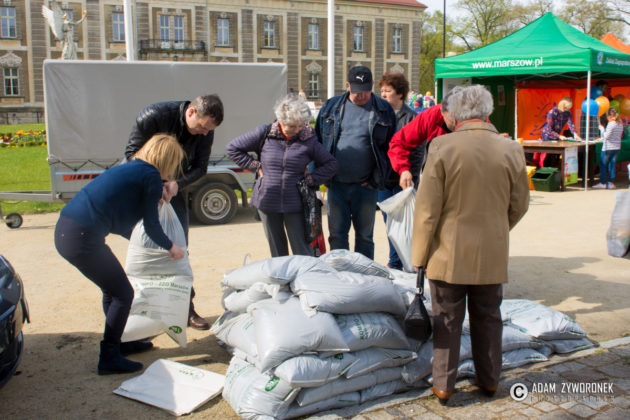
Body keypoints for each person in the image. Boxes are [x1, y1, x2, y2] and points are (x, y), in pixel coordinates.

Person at [411, 85, 530, 405]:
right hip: (491, 250)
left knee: (447, 319)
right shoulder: (511, 148)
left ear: (455, 115)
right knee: (489, 316)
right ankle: (490, 378)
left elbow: (427, 211)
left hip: (446, 251)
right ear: (487, 112)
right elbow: (520, 204)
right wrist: (498, 229)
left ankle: (444, 384)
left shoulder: (441, 146)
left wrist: (419, 256)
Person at [55, 134, 187, 375]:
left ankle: (121, 342)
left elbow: (123, 221)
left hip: (70, 231)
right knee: (123, 293)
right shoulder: (150, 176)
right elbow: (151, 225)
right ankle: (109, 357)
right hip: (82, 238)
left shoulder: (134, 169)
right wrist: (172, 248)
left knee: (113, 291)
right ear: (168, 160)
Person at [125, 94, 224, 330]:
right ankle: (145, 311)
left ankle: (185, 309)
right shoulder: (153, 117)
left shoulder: (206, 131)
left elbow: (200, 167)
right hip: (144, 187)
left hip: (174, 191)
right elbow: (131, 155)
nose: (204, 133)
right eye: (201, 127)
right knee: (147, 250)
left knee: (179, 250)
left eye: (208, 130)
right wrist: (154, 183)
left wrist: (177, 183)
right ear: (191, 112)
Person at [226, 94, 337, 257]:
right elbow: (232, 148)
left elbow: (331, 164)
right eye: (292, 126)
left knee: (302, 252)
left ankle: (304, 274)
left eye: (300, 125)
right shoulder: (264, 133)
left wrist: (311, 179)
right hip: (267, 202)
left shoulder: (308, 139)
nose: (297, 130)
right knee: (277, 253)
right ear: (280, 121)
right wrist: (255, 166)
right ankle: (282, 274)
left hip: (296, 204)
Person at [314, 65, 397, 259]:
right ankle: (340, 274)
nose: (362, 96)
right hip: (336, 185)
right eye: (357, 91)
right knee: (337, 236)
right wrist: (315, 181)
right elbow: (316, 144)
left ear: (372, 85)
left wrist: (377, 179)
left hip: (366, 187)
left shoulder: (384, 109)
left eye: (366, 91)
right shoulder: (331, 107)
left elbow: (391, 148)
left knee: (365, 238)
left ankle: (364, 274)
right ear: (347, 85)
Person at [377, 71, 418, 269]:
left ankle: (407, 262)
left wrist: (410, 174)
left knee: (406, 224)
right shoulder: (378, 115)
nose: (383, 95)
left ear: (400, 94)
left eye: (388, 91)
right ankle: (395, 262)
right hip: (384, 179)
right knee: (390, 223)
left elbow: (418, 152)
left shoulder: (412, 117)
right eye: (382, 91)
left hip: (405, 180)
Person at [388, 97, 454, 190]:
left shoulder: (474, 119)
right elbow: (399, 142)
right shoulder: (434, 114)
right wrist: (404, 169)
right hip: (436, 180)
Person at [537, 97, 582, 167]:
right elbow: (548, 129)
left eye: (568, 108)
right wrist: (559, 136)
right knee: (548, 155)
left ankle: (555, 169)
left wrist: (575, 134)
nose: (566, 109)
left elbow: (571, 124)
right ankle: (545, 168)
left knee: (556, 155)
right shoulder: (552, 112)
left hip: (557, 135)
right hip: (547, 136)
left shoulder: (568, 113)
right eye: (565, 107)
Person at [593, 107, 624, 189]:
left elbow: (606, 136)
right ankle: (611, 182)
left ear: (609, 115)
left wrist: (602, 129)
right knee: (612, 165)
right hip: (616, 147)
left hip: (608, 147)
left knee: (603, 165)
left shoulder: (611, 124)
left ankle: (603, 183)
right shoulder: (620, 124)